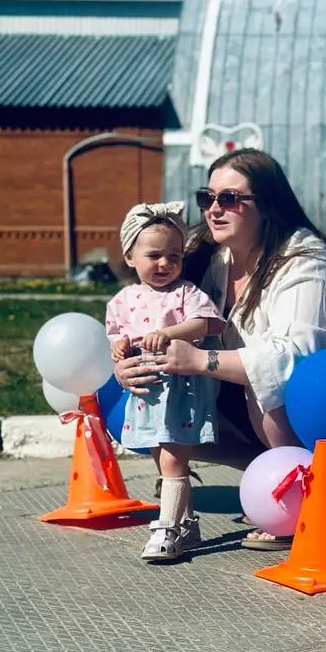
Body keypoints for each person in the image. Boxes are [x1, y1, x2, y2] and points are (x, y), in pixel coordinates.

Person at [114, 149, 326, 552]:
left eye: (230, 199)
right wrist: (126, 363)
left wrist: (200, 361)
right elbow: (147, 307)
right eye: (207, 198)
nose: (213, 210)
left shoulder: (309, 260)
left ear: (268, 205)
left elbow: (294, 356)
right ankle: (265, 472)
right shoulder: (214, 257)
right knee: (137, 399)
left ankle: (302, 498)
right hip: (271, 404)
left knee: (266, 384)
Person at [106, 202, 226, 562]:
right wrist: (121, 347)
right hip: (148, 391)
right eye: (154, 255)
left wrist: (168, 332)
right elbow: (116, 334)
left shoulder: (186, 293)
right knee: (162, 457)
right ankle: (187, 524)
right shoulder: (124, 300)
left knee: (174, 457)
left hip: (182, 390)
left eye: (174, 255)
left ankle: (167, 528)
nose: (165, 264)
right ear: (130, 256)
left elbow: (207, 323)